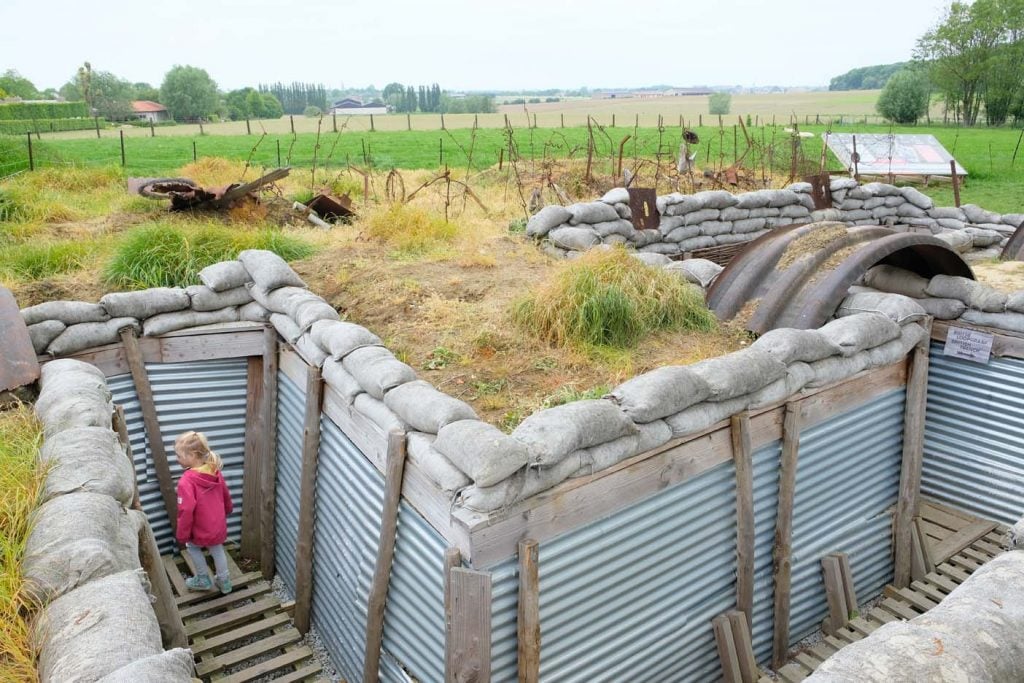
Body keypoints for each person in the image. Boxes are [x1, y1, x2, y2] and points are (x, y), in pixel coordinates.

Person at [174, 430, 234, 594]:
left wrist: (182, 534)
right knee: (217, 549)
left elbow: (185, 510)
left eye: (179, 455)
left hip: (199, 527)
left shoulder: (186, 481)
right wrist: (228, 509)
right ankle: (224, 581)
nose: (176, 459)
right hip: (217, 524)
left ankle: (202, 579)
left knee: (192, 547)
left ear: (192, 455)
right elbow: (225, 493)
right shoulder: (214, 471)